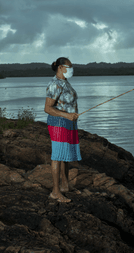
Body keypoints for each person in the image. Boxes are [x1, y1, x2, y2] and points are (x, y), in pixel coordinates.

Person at [44, 57, 80, 203]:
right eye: (69, 67)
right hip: (58, 123)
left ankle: (65, 186)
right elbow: (47, 108)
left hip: (68, 124)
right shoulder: (54, 84)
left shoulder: (64, 82)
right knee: (58, 156)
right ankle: (55, 192)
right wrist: (67, 115)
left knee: (66, 155)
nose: (71, 69)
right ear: (60, 67)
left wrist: (71, 116)